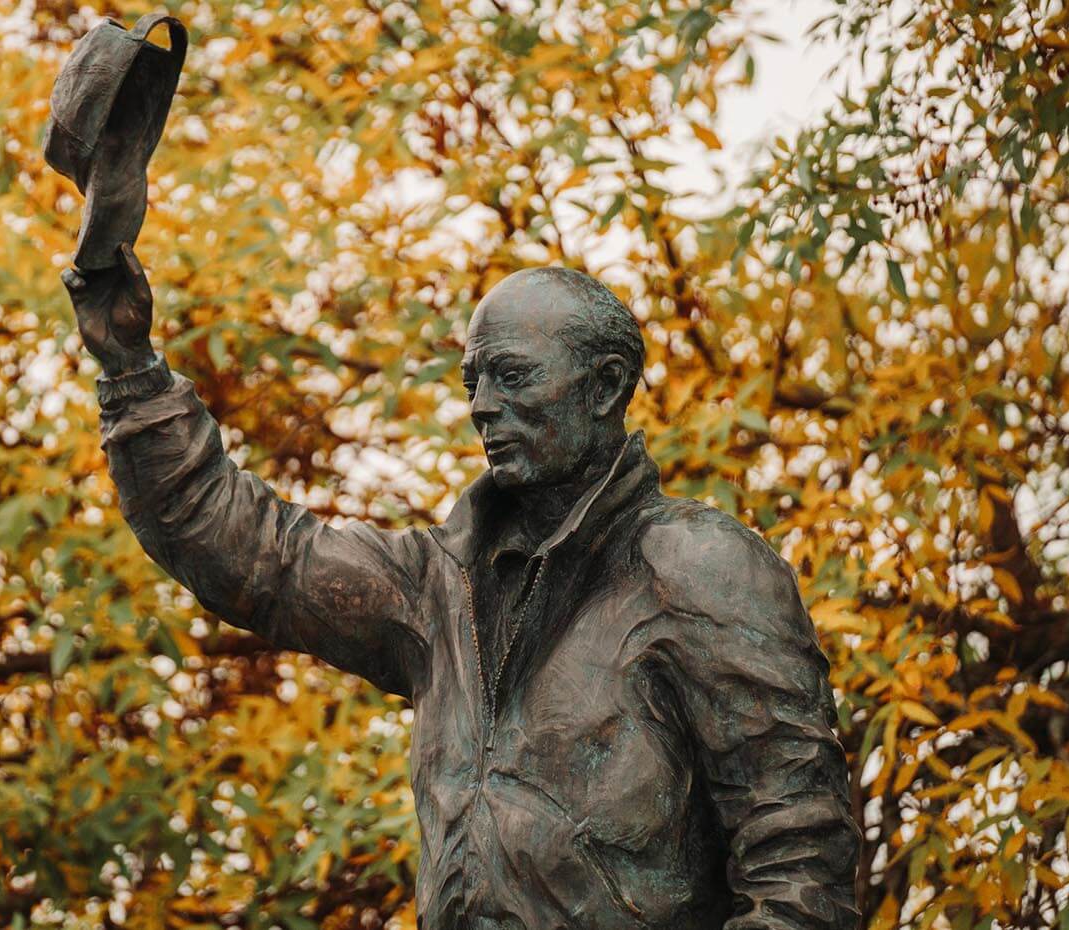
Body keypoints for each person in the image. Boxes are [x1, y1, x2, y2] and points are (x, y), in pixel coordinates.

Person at [63, 244, 859, 930]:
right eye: (473, 379)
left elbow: (798, 856)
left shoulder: (700, 568)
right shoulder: (437, 587)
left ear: (606, 386)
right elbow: (256, 554)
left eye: (511, 376)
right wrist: (131, 371)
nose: (481, 406)